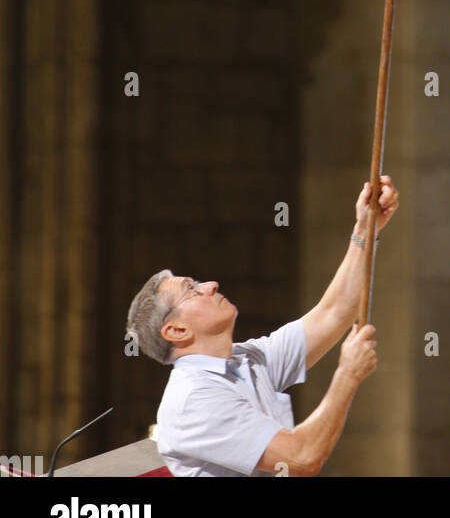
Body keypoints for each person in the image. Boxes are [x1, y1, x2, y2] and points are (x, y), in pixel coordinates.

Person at [125, 176, 398, 476]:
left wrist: (364, 229)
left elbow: (335, 313)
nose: (211, 285)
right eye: (193, 290)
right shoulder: (194, 399)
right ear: (176, 331)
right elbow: (302, 458)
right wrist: (347, 375)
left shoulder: (245, 359)